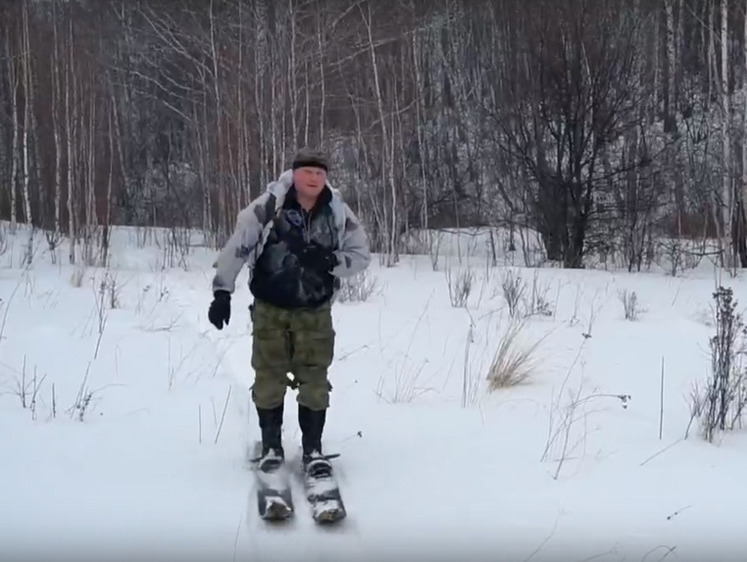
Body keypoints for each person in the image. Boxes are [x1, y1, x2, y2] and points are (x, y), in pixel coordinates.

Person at [207, 148, 371, 477]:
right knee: (269, 377)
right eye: (307, 172)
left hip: (315, 310)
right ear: (294, 174)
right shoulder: (269, 206)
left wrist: (330, 262)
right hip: (271, 308)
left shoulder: (337, 211)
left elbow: (361, 254)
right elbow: (239, 244)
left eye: (319, 173)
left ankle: (312, 450)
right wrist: (222, 291)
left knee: (315, 380)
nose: (313, 178)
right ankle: (271, 447)